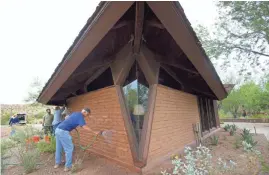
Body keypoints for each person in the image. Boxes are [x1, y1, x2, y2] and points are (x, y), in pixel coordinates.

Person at [54, 107, 99, 172]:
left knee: (59, 147)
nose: (87, 116)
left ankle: (57, 163)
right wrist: (94, 131)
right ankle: (68, 166)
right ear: (85, 112)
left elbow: (67, 117)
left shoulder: (75, 113)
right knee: (69, 148)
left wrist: (70, 123)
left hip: (58, 129)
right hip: (63, 131)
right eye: (87, 114)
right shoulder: (81, 116)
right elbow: (84, 126)